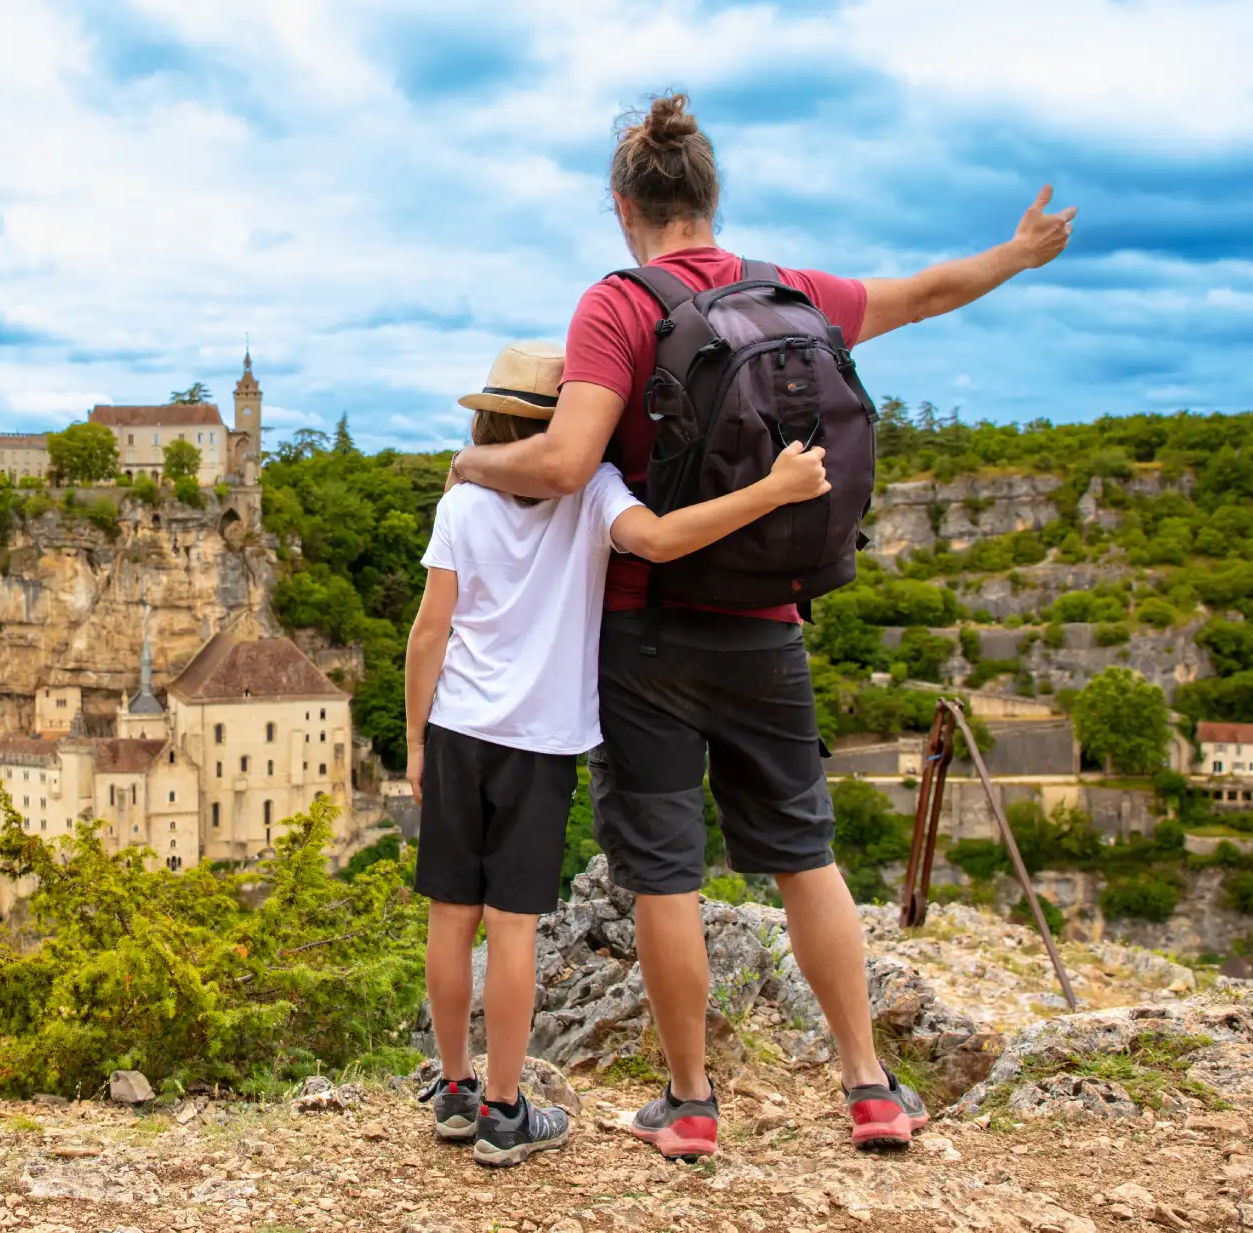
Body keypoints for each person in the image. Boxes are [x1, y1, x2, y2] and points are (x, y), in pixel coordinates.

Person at [449, 93, 1077, 1158]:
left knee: (664, 869)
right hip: (770, 620)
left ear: (622, 207)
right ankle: (871, 1086)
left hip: (649, 632)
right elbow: (924, 294)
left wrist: (470, 463)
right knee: (804, 856)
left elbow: (561, 464)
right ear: (712, 198)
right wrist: (1016, 253)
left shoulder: (618, 306)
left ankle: (690, 1106)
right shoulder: (791, 292)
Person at [407, 339, 832, 1168]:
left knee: (449, 916)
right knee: (514, 925)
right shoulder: (595, 489)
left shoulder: (460, 502)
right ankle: (503, 1108)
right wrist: (773, 489)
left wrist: (416, 737)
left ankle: (453, 1088)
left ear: (490, 422)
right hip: (540, 740)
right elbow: (666, 540)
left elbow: (430, 631)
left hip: (459, 727)